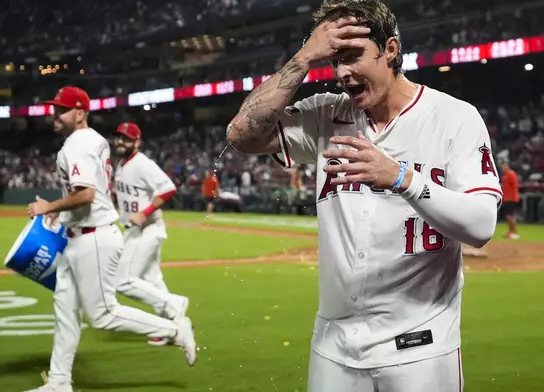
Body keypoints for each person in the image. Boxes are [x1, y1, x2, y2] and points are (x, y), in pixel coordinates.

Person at [226, 1, 502, 391]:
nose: (341, 73)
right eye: (334, 59)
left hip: (420, 349)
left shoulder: (454, 117)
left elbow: (480, 225)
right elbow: (241, 135)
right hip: (333, 347)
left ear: (390, 50)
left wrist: (401, 178)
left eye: (352, 56)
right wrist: (304, 57)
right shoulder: (326, 114)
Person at [25, 87, 196, 392]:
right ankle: (59, 381)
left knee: (103, 315)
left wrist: (47, 207)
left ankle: (173, 327)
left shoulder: (77, 144)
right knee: (65, 312)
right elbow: (95, 195)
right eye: (54, 108)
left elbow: (87, 194)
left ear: (80, 113)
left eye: (61, 109)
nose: (54, 114)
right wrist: (60, 215)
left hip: (94, 238)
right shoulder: (95, 141)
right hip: (80, 235)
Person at [111, 122, 191, 346]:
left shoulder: (142, 164)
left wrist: (144, 212)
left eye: (126, 138)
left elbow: (168, 189)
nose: (120, 142)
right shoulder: (121, 163)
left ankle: (175, 303)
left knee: (124, 281)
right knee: (152, 280)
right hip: (135, 229)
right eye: (118, 137)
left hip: (147, 228)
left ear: (136, 142)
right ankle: (173, 327)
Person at [499, 160, 520, 239]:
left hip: (510, 198)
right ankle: (511, 232)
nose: (502, 168)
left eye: (504, 166)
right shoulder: (505, 175)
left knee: (511, 216)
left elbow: (515, 186)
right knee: (509, 216)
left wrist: (513, 197)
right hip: (507, 198)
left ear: (507, 166)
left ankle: (513, 232)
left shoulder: (511, 174)